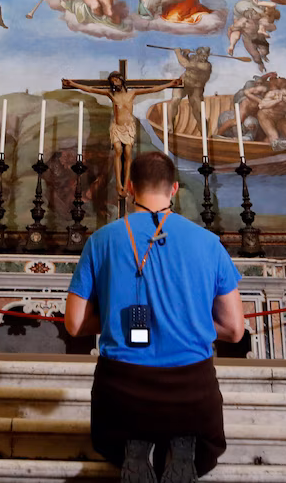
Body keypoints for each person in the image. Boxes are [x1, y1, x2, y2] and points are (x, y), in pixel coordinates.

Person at [65, 152, 245, 483]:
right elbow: (235, 330)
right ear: (174, 188)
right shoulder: (209, 243)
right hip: (192, 390)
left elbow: (74, 324)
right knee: (197, 421)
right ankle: (182, 438)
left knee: (117, 423)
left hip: (122, 390)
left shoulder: (100, 240)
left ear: (130, 187)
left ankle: (135, 440)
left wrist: (115, 321)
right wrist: (189, 323)